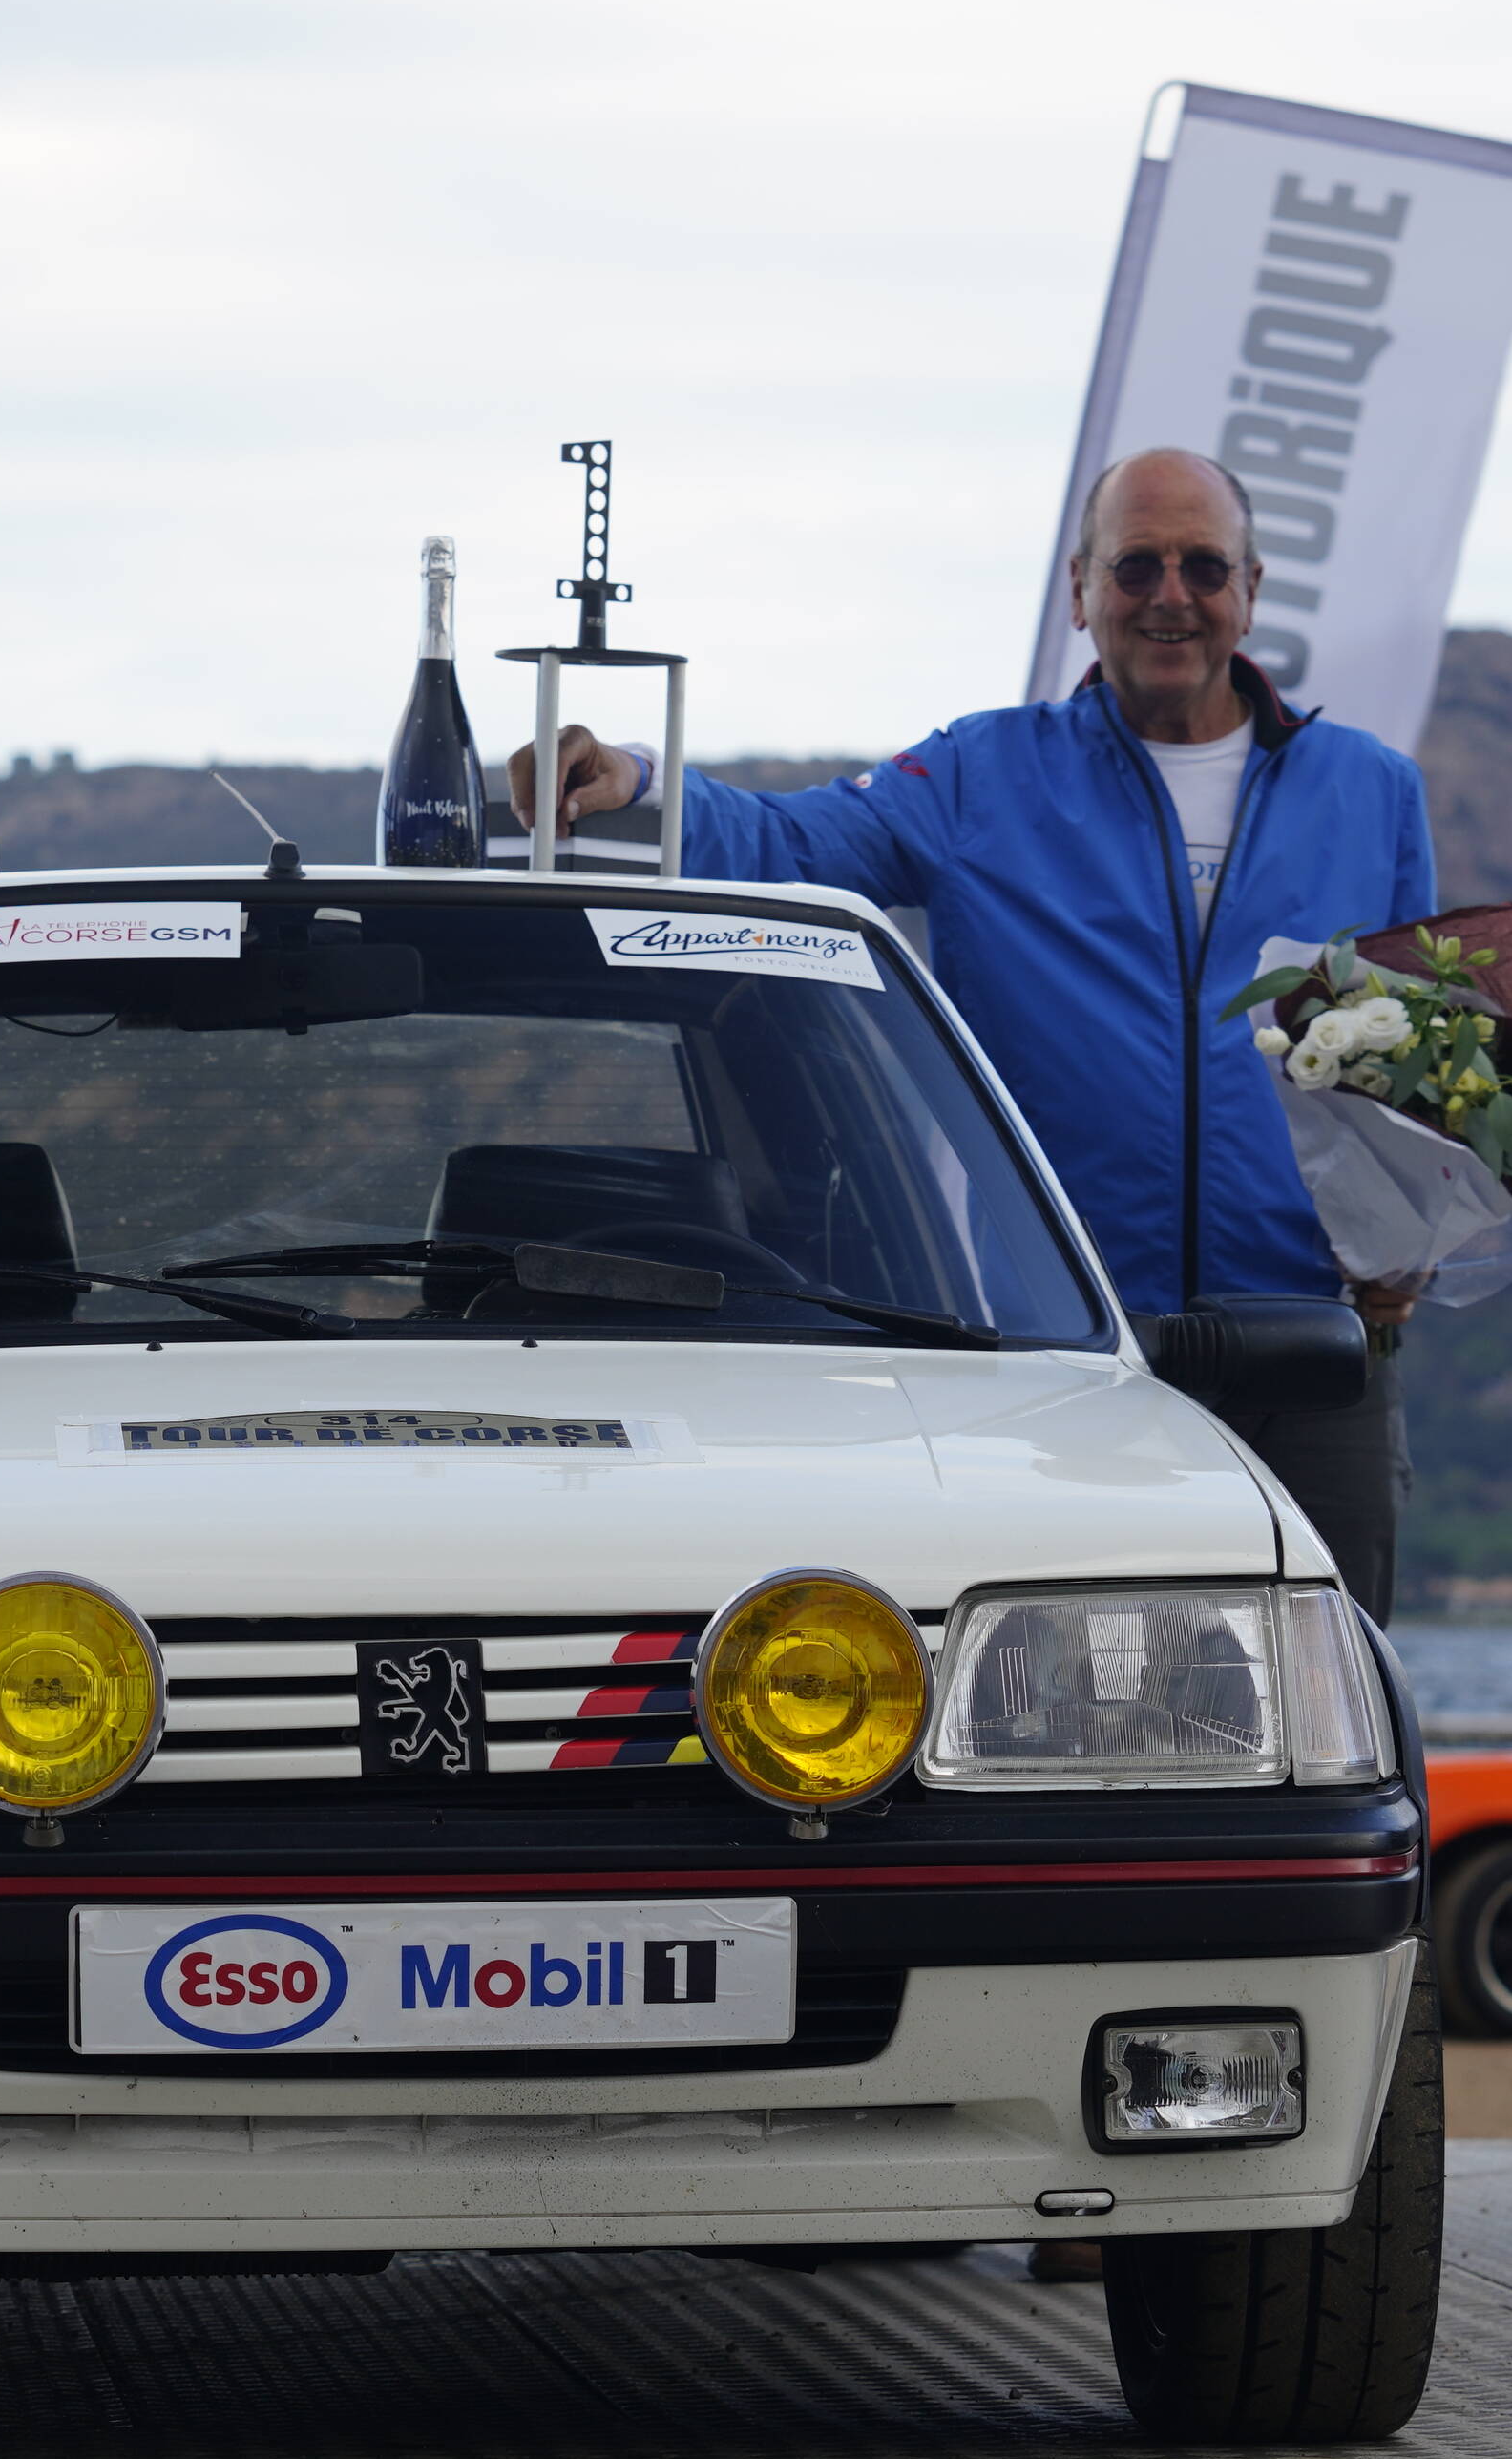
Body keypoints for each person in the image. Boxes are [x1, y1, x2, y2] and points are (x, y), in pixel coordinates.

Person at [511, 449, 1440, 1612]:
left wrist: (1416, 1240)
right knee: (1060, 1708)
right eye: (1134, 564)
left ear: (1248, 590)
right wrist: (637, 779)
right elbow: (792, 847)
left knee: (1333, 1696)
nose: (1169, 594)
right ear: (1078, 590)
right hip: (1067, 1353)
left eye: (1202, 566)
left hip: (1310, 1354)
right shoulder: (980, 775)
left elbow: (1416, 1059)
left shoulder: (1370, 789)